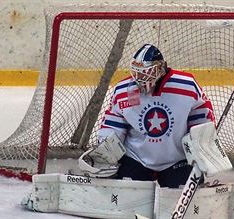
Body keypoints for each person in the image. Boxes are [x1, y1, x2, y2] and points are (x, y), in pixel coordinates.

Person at [90, 44, 214, 188]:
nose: (140, 78)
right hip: (136, 157)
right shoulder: (124, 89)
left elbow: (201, 115)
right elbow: (114, 123)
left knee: (185, 204)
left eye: (146, 72)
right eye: (137, 73)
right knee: (126, 201)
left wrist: (203, 143)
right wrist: (106, 150)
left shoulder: (186, 85)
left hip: (177, 159)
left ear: (161, 68)